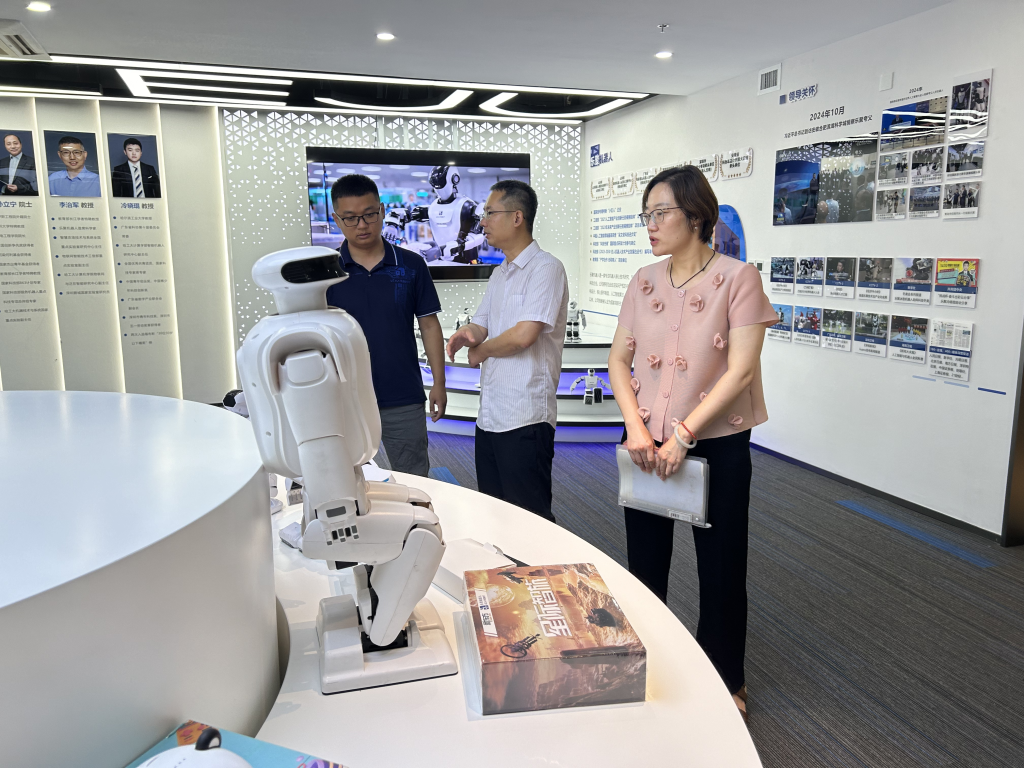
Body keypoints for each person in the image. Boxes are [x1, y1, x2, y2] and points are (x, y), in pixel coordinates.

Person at [608, 165, 777, 723]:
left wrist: (685, 433)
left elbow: (740, 369)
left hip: (716, 442)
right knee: (644, 562)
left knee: (722, 565)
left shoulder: (738, 278)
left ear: (697, 216)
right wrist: (636, 426)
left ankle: (726, 677)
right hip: (644, 440)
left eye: (661, 213)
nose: (651, 224)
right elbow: (618, 359)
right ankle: (646, 662)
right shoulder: (644, 280)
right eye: (647, 214)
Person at [445, 180, 568, 523]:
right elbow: (482, 323)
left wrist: (481, 352)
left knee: (529, 520)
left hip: (526, 417)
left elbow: (524, 335)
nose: (482, 221)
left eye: (490, 213)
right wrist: (467, 335)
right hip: (490, 416)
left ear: (517, 217)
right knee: (495, 515)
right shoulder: (500, 273)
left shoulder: (546, 268)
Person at [324, 174, 447, 477]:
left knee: (414, 478)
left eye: (369, 214)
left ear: (381, 210)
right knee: (344, 479)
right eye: (350, 218)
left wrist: (439, 383)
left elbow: (429, 325)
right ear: (336, 220)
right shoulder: (325, 272)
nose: (362, 225)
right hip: (343, 397)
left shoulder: (411, 265)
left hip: (402, 394)